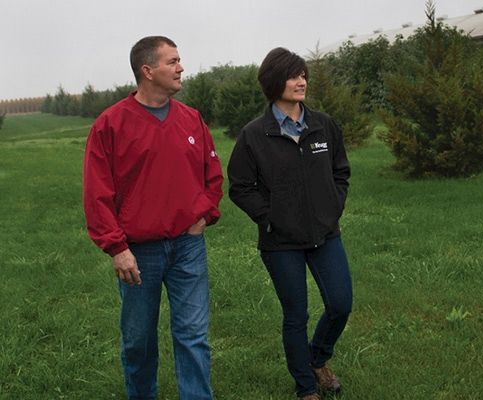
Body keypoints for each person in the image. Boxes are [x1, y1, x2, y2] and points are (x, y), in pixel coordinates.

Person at [82, 35, 223, 400]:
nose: (181, 68)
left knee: (193, 336)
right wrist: (116, 248)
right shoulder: (110, 125)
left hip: (187, 247)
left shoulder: (191, 119)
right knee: (139, 342)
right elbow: (97, 193)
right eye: (172, 61)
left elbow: (212, 173)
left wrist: (205, 214)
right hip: (137, 254)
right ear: (147, 71)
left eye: (179, 60)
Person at [227, 47, 353, 400]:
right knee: (295, 314)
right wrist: (270, 218)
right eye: (293, 75)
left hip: (325, 233)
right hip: (280, 241)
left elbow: (341, 172)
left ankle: (317, 358)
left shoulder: (323, 125)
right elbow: (240, 187)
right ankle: (305, 387)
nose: (302, 81)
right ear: (273, 81)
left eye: (303, 75)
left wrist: (333, 206)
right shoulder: (254, 135)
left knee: (341, 303)